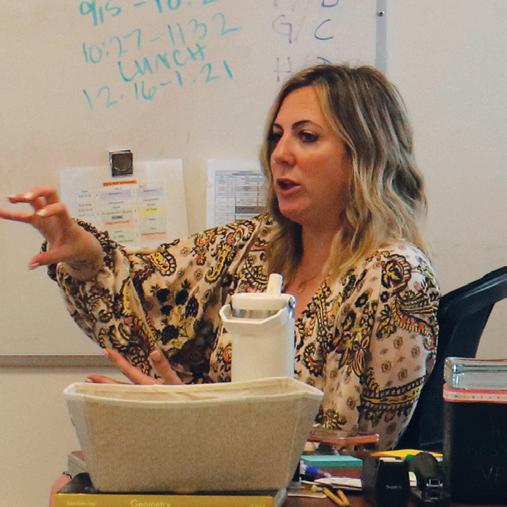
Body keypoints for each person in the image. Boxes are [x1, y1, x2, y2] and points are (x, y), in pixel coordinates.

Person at [1, 64, 439, 451]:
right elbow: (144, 288)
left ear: (364, 154)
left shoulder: (395, 276)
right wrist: (85, 252)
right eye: (276, 136)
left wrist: (196, 421)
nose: (280, 154)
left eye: (306, 137)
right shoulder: (256, 247)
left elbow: (353, 452)